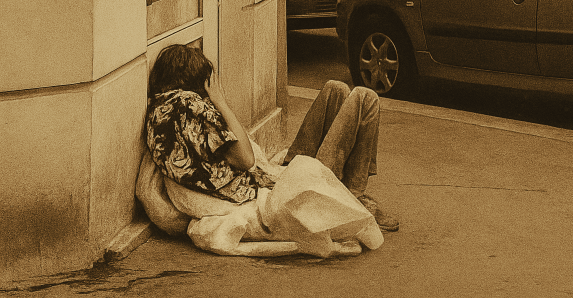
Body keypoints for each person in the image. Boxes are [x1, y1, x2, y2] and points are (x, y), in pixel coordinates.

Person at [144, 44, 399, 231]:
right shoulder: (192, 107)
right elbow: (245, 159)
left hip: (275, 176)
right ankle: (352, 193)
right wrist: (219, 101)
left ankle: (352, 189)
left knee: (336, 88)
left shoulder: (162, 110)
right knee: (365, 98)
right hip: (289, 189)